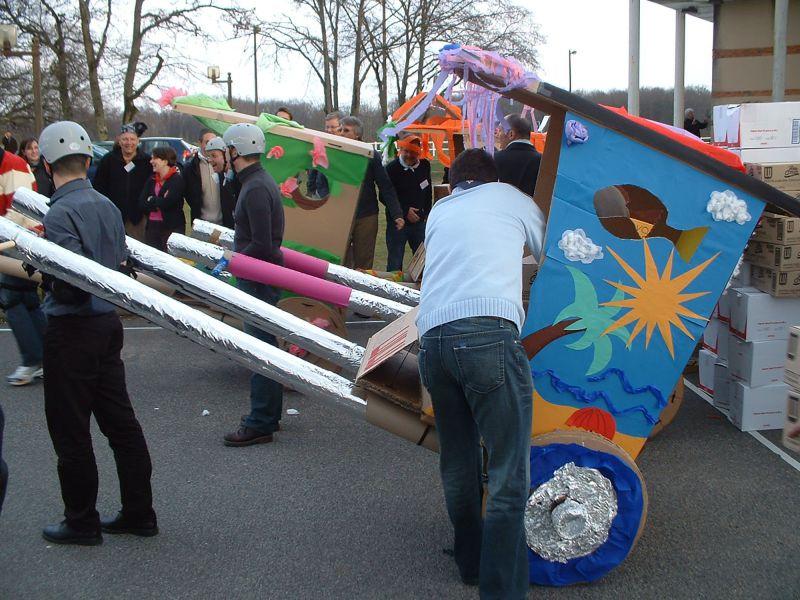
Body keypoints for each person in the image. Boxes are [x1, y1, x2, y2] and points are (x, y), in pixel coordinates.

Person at [416, 149, 545, 599]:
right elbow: (554, 256)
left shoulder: (439, 211)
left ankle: (470, 561)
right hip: (488, 332)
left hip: (432, 340)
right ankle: (502, 590)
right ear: (493, 178)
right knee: (508, 470)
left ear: (454, 184)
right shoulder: (513, 199)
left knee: (457, 460)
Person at [35, 121, 157, 545]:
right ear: (88, 160)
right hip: (107, 324)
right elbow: (117, 264)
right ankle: (140, 512)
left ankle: (81, 520)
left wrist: (42, 266)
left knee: (70, 429)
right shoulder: (106, 205)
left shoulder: (59, 212)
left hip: (72, 328)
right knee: (120, 423)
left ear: (47, 164)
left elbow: (72, 281)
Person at [221, 123, 285, 447]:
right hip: (259, 276)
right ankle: (268, 415)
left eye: (227, 150)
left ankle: (260, 421)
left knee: (259, 350)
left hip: (258, 279)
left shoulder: (256, 187)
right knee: (265, 347)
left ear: (236, 150)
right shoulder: (254, 182)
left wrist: (231, 261)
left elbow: (262, 244)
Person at [0, 145, 45, 386]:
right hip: (17, 239)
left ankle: (33, 359)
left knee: (12, 299)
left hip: (18, 240)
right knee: (26, 300)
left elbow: (18, 211)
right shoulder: (9, 164)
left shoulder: (12, 165)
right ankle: (46, 357)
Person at [338, 116, 404, 269]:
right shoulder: (335, 153)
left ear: (357, 135)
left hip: (366, 215)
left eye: (346, 130)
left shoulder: (371, 155)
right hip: (341, 213)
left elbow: (385, 185)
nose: (341, 133)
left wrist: (397, 213)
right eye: (340, 130)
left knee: (364, 261)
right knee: (340, 259)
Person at [92, 122, 153, 241]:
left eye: (132, 139)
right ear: (119, 141)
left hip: (138, 218)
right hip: (113, 216)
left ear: (138, 141)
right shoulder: (108, 160)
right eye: (125, 139)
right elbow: (98, 187)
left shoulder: (146, 161)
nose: (129, 143)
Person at [385, 135, 431, 271]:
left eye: (414, 152)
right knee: (395, 261)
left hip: (419, 223)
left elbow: (428, 191)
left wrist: (427, 213)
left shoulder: (425, 165)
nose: (409, 155)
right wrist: (405, 211)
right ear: (401, 150)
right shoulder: (391, 169)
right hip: (397, 223)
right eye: (406, 151)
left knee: (423, 260)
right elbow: (385, 196)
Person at [138, 146, 186, 252]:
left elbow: (169, 203)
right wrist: (158, 202)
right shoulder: (152, 179)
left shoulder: (176, 180)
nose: (151, 161)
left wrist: (152, 200)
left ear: (165, 161)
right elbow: (142, 203)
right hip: (152, 227)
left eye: (154, 158)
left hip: (171, 228)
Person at [493, 114, 541, 197]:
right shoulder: (543, 162)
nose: (497, 135)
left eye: (500, 131)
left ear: (511, 134)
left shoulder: (495, 159)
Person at [184, 129, 222, 225]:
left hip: (224, 223)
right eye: (207, 142)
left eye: (214, 142)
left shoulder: (223, 164)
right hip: (201, 223)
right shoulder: (191, 168)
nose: (211, 145)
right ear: (200, 143)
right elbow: (188, 194)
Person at [307, 111, 343, 199]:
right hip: (319, 195)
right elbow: (313, 170)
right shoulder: (320, 145)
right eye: (327, 127)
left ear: (341, 127)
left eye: (333, 127)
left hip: (339, 197)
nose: (329, 130)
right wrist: (312, 191)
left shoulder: (347, 149)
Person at [204, 136, 238, 228]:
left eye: (214, 156)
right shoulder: (223, 177)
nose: (210, 160)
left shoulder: (238, 179)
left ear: (226, 155)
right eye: (209, 156)